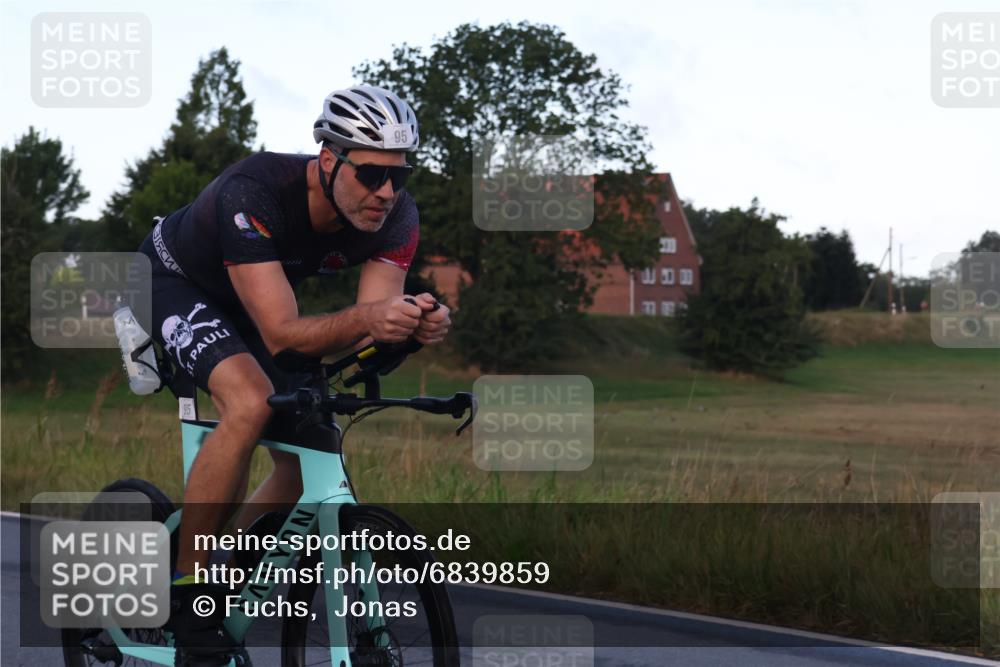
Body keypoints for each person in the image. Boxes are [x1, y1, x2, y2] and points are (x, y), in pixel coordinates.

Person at [137, 85, 450, 666]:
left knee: (310, 439)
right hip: (172, 282)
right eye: (371, 174)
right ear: (328, 159)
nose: (385, 193)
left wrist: (410, 326)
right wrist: (373, 320)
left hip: (253, 298)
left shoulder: (397, 216)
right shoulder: (254, 191)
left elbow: (369, 327)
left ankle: (230, 565)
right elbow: (282, 334)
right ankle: (188, 588)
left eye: (398, 177)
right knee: (251, 403)